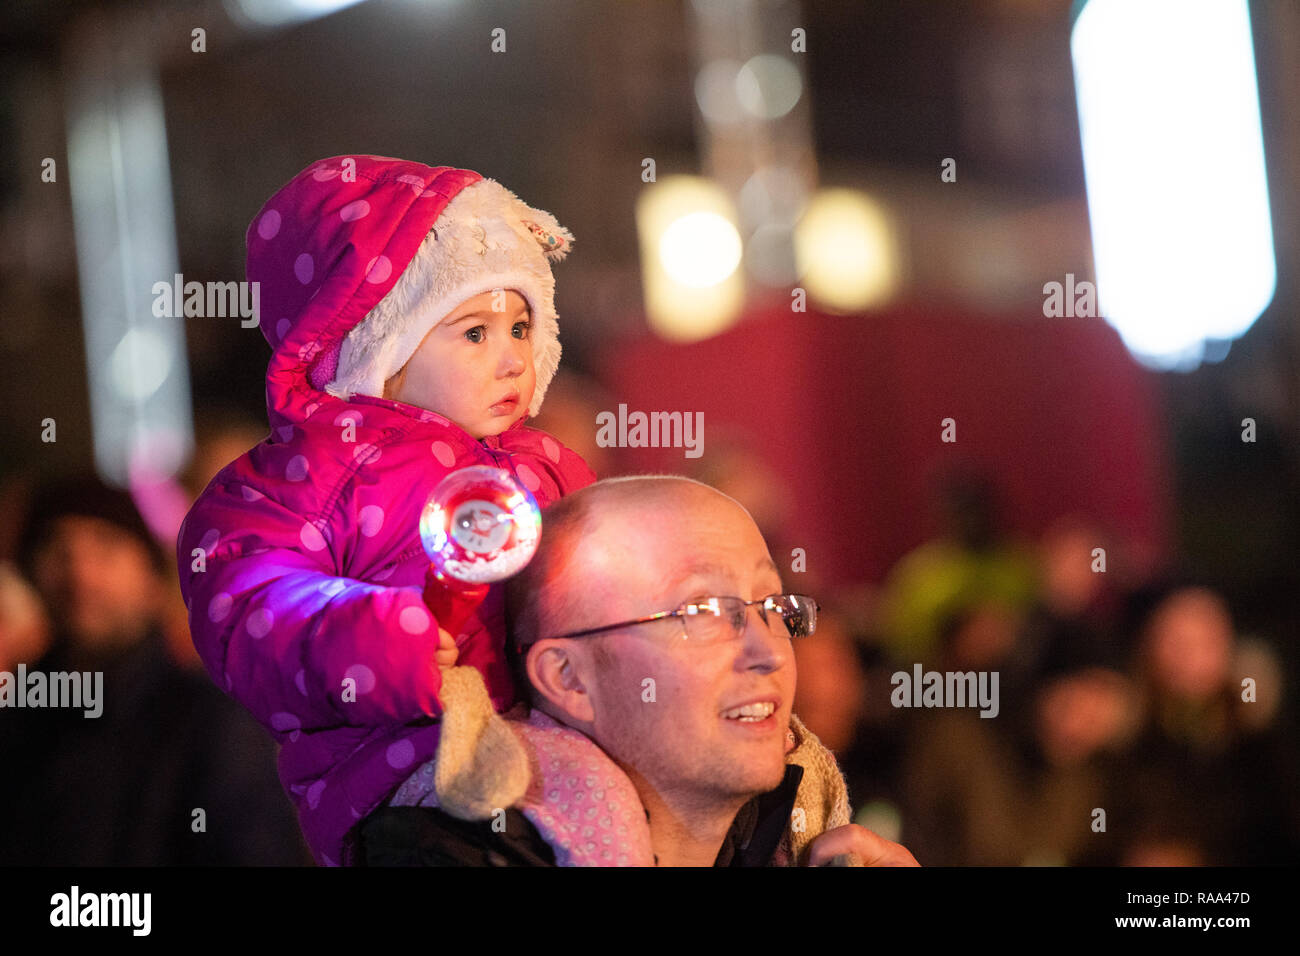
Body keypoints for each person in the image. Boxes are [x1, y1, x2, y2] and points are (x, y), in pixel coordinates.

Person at [177, 156, 595, 866]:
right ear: (382, 343)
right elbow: (243, 601)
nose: (512, 360)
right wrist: (368, 639)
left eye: (521, 329)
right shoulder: (316, 471)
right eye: (475, 333)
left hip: (558, 740)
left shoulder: (548, 465)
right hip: (400, 771)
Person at [357, 475, 920, 867]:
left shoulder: (806, 843)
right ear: (569, 678)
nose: (768, 652)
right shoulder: (446, 854)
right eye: (700, 611)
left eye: (773, 605)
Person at [0, 474, 308, 865]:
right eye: (57, 550)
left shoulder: (211, 723)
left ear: (150, 578)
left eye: (106, 548)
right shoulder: (19, 722)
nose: (81, 575)